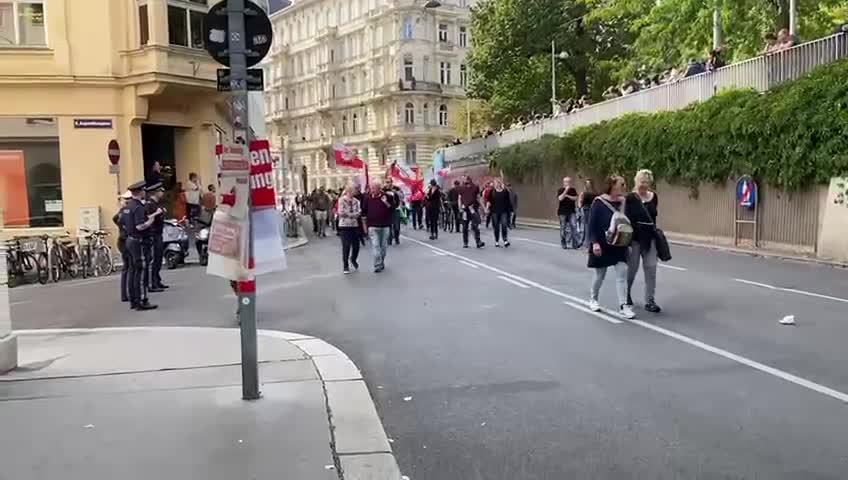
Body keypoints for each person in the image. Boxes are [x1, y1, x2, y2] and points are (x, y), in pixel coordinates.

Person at [586, 175, 634, 319]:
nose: (624, 187)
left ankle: (623, 305)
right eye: (621, 184)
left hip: (619, 244)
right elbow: (592, 224)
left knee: (622, 274)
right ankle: (593, 299)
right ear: (612, 186)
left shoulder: (623, 203)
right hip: (602, 244)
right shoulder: (598, 202)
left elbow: (628, 224)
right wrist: (594, 243)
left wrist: (629, 243)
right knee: (600, 275)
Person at [625, 169, 661, 313]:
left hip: (649, 238)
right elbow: (626, 219)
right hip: (634, 239)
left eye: (646, 182)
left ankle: (650, 300)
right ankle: (625, 294)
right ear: (636, 181)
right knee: (632, 269)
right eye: (641, 181)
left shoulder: (654, 197)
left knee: (651, 268)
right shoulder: (630, 198)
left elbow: (654, 217)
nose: (644, 185)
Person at [121, 180, 160, 311]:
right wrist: (150, 221)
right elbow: (140, 226)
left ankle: (133, 300)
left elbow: (121, 221)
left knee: (133, 271)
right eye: (143, 190)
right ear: (140, 192)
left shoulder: (127, 207)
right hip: (139, 242)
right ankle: (142, 300)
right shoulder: (138, 207)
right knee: (141, 271)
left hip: (129, 240)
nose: (144, 192)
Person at [362, 180, 397, 272]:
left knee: (383, 247)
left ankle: (381, 261)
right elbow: (364, 212)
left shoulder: (387, 196)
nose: (372, 190)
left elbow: (393, 208)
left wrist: (386, 202)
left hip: (385, 225)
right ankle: (377, 265)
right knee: (376, 245)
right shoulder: (367, 198)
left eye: (374, 188)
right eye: (371, 188)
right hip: (372, 226)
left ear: (379, 188)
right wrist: (364, 226)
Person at [145, 183, 168, 292]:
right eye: (161, 191)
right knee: (154, 259)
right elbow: (146, 217)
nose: (162, 193)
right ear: (156, 192)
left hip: (158, 233)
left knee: (158, 258)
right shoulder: (149, 204)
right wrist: (157, 213)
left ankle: (157, 280)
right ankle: (152, 283)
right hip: (153, 234)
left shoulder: (157, 203)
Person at [337, 184, 362, 274]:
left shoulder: (356, 201)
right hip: (344, 225)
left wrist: (356, 214)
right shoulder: (342, 200)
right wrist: (351, 214)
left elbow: (359, 211)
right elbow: (340, 212)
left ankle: (353, 259)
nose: (353, 192)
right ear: (348, 191)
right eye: (352, 191)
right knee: (346, 246)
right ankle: (345, 265)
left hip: (354, 225)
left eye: (354, 191)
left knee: (356, 245)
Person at [113, 191, 132, 303]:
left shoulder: (122, 211)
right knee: (129, 268)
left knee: (127, 268)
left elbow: (115, 219)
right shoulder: (125, 211)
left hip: (123, 240)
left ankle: (125, 294)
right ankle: (127, 293)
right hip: (125, 241)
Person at [458, 176, 485, 248]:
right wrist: (460, 207)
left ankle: (478, 241)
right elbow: (459, 198)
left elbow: (478, 197)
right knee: (465, 226)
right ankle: (465, 242)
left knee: (475, 225)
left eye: (466, 180)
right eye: (464, 180)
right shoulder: (461, 188)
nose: (465, 181)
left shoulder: (475, 187)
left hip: (473, 208)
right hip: (465, 210)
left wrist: (483, 207)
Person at [487, 178, 513, 247]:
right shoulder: (492, 192)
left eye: (497, 183)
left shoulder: (505, 192)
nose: (496, 184)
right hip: (494, 212)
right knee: (496, 227)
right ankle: (497, 240)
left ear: (500, 183)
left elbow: (508, 202)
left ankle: (505, 240)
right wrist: (487, 208)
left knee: (504, 225)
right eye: (495, 183)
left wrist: (510, 211)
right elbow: (489, 201)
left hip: (503, 211)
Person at [557, 177, 579, 249]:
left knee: (574, 226)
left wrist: (567, 196)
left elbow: (575, 198)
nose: (567, 183)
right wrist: (566, 191)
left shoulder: (573, 190)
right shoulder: (560, 190)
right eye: (566, 182)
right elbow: (560, 198)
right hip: (562, 212)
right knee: (563, 227)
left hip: (571, 211)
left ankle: (575, 243)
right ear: (563, 182)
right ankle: (563, 242)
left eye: (569, 182)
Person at [578, 179, 596, 247]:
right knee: (586, 225)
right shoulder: (583, 193)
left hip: (592, 209)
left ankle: (589, 241)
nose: (588, 185)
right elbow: (580, 201)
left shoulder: (594, 192)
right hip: (585, 209)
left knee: (591, 226)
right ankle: (585, 242)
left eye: (589, 183)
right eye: (587, 183)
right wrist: (580, 208)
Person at [385, 178, 402, 245]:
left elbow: (401, 196)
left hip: (396, 209)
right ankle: (389, 239)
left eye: (389, 182)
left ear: (392, 182)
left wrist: (396, 192)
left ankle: (397, 237)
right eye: (386, 182)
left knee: (396, 226)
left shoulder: (397, 188)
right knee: (388, 225)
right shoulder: (384, 189)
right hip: (387, 209)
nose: (388, 183)